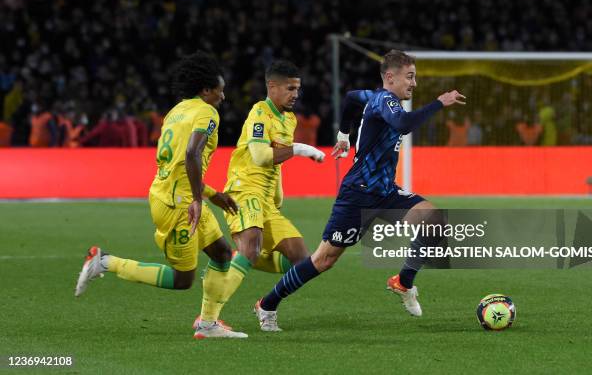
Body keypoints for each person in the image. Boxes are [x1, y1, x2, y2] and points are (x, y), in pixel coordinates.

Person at [253, 50, 465, 331]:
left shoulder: (375, 97)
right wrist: (439, 102)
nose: (414, 84)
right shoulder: (386, 100)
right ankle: (267, 304)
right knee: (323, 259)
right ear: (391, 77)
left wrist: (343, 135)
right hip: (358, 194)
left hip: (385, 192)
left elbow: (352, 96)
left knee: (434, 221)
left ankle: (403, 282)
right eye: (410, 77)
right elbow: (402, 124)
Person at [74, 52, 248, 339]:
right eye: (220, 89)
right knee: (182, 280)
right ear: (206, 90)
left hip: (175, 194)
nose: (223, 96)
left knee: (221, 253)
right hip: (177, 204)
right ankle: (104, 261)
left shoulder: (176, 112)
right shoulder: (207, 113)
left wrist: (211, 195)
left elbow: (177, 164)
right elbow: (191, 154)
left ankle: (208, 325)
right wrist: (196, 199)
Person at [205, 60, 324, 330]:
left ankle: (260, 297)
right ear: (272, 86)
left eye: (298, 89)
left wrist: (278, 193)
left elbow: (275, 160)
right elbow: (259, 156)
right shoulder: (260, 112)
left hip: (266, 200)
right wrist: (301, 149)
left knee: (302, 261)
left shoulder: (289, 118)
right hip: (244, 190)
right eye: (290, 88)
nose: (296, 94)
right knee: (251, 245)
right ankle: (208, 318)